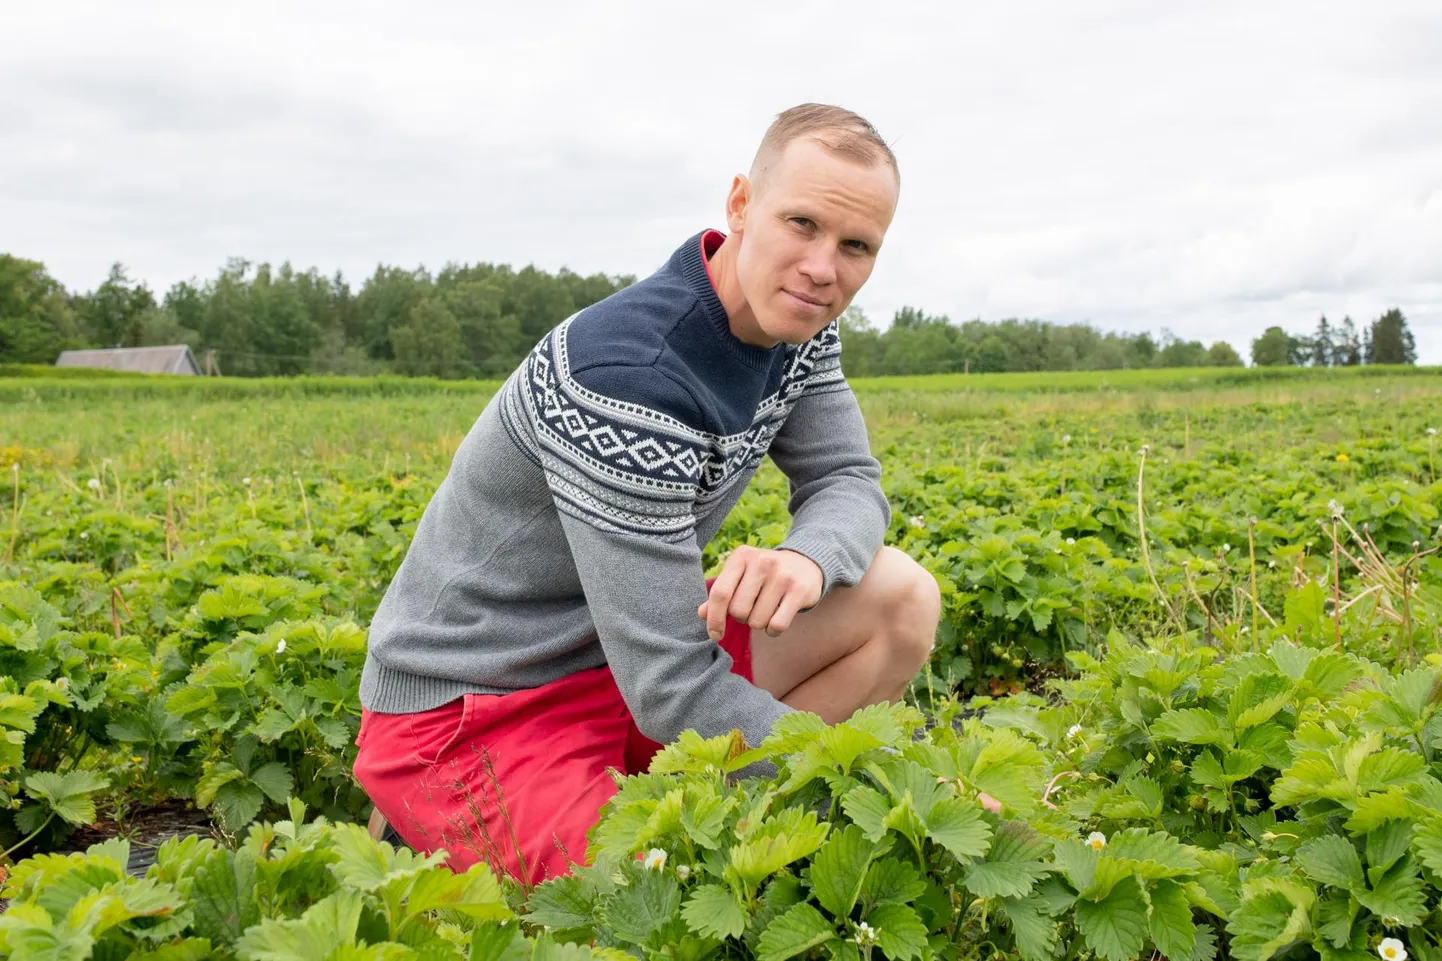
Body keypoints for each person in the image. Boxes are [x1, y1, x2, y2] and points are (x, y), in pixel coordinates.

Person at [352, 103, 940, 885]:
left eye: (855, 245)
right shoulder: (630, 377)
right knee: (652, 896)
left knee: (899, 597)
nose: (823, 268)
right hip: (478, 703)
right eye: (802, 223)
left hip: (623, 657)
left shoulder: (800, 331)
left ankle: (723, 810)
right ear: (740, 205)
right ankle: (422, 819)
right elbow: (675, 687)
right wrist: (876, 783)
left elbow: (847, 480)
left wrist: (809, 555)